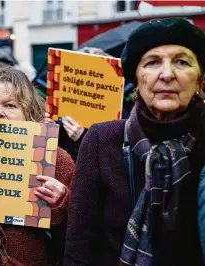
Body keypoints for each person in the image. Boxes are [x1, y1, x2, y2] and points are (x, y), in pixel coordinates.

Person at [64, 18, 205, 265]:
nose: (167, 74)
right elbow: (79, 247)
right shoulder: (102, 140)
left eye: (182, 62)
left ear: (200, 80)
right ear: (136, 80)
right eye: (152, 62)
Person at [0, 67, 75, 266]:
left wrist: (62, 204)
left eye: (10, 105)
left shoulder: (56, 160)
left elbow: (78, 240)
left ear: (28, 111)